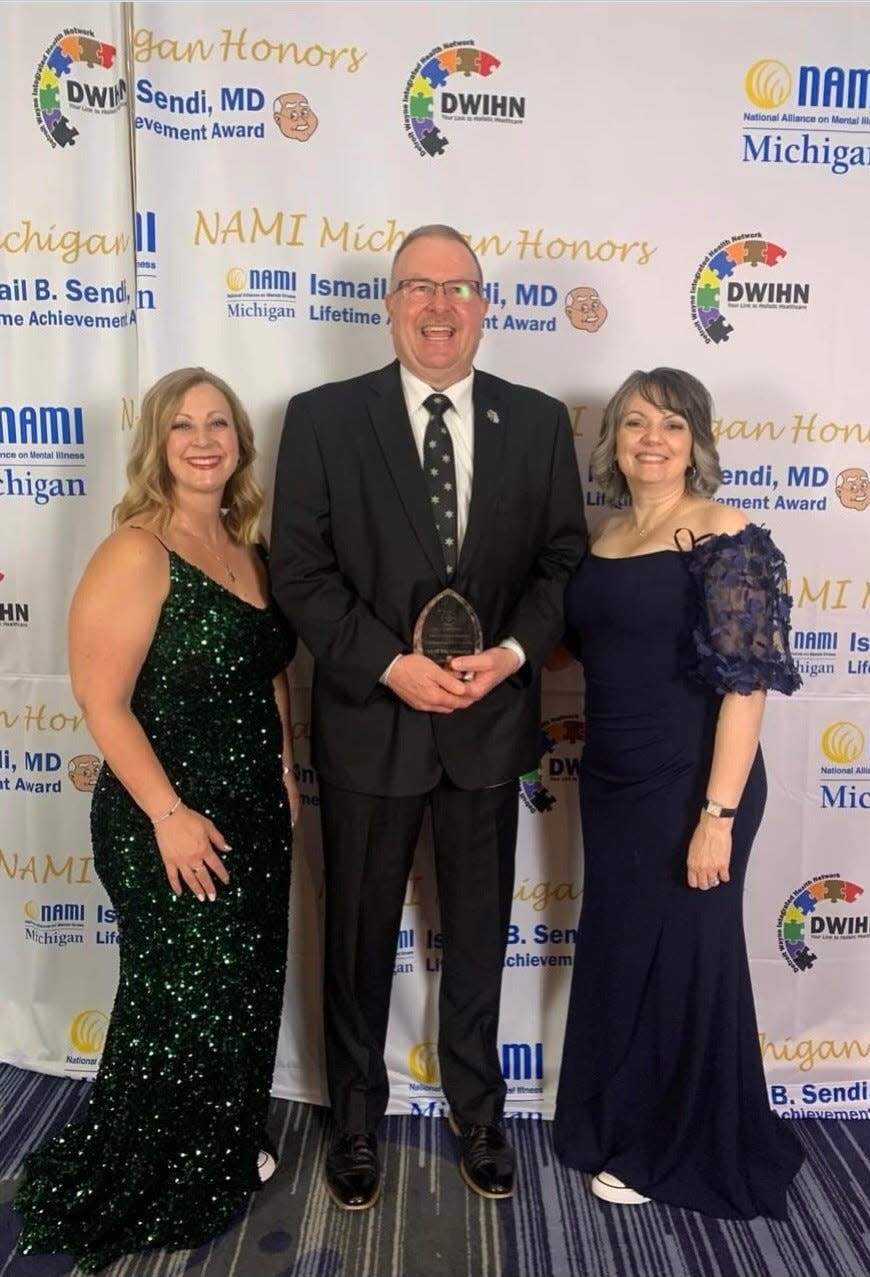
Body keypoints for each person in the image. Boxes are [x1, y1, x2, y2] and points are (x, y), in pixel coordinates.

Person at [270, 224, 587, 1210]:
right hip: (372, 721)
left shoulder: (535, 423)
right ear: (391, 303)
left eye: (458, 288)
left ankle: (477, 1110)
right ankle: (354, 1121)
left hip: (490, 728)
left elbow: (562, 561)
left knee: (481, 932)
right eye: (419, 286)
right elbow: (300, 569)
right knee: (358, 934)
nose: (439, 306)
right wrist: (389, 664)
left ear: (484, 306)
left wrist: (509, 654)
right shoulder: (323, 418)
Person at [15, 368, 298, 1273]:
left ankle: (219, 1140)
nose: (205, 439)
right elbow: (103, 702)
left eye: (220, 422)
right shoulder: (136, 550)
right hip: (164, 812)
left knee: (241, 994)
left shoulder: (246, 546)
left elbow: (269, 669)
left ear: (240, 444)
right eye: (184, 425)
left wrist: (286, 770)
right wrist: (170, 814)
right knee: (181, 1000)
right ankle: (160, 1166)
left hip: (254, 809)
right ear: (157, 444)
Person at [552, 367, 804, 1220]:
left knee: (688, 960)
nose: (650, 439)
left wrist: (718, 815)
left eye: (669, 424)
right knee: (624, 954)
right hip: (615, 782)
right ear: (613, 442)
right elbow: (590, 646)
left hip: (698, 784)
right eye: (633, 424)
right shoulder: (606, 535)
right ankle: (615, 1119)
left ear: (696, 440)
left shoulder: (723, 533)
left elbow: (746, 685)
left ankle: (676, 1143)